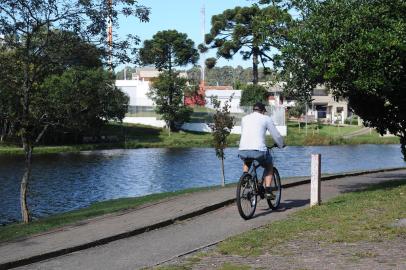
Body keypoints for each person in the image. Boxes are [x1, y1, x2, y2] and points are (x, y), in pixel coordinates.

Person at [238, 102, 284, 199]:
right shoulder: (266, 119)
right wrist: (281, 144)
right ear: (263, 111)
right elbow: (276, 135)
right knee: (269, 165)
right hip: (258, 150)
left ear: (253, 110)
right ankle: (267, 190)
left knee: (247, 159)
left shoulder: (244, 119)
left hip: (242, 149)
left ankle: (245, 177)